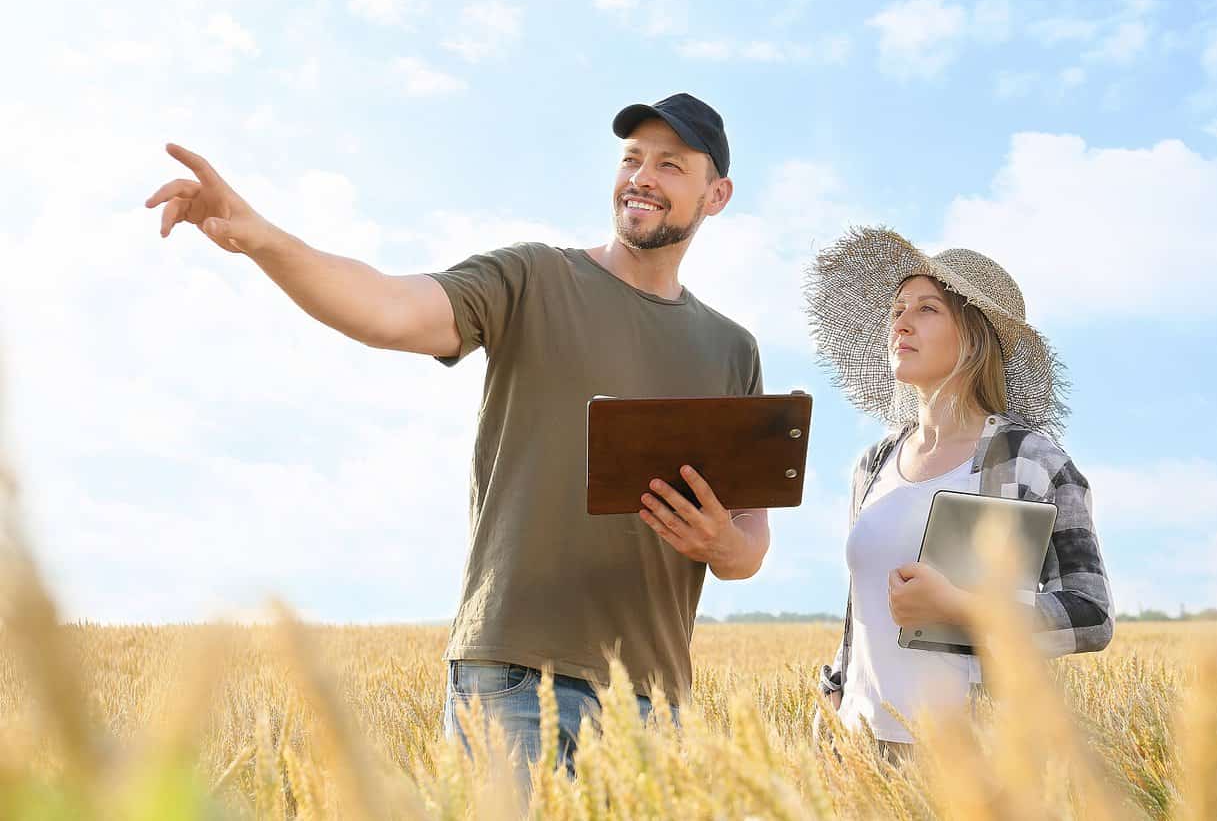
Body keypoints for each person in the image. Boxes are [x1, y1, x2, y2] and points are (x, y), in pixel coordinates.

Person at [143, 93, 770, 778]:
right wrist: (264, 239)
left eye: (670, 165)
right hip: (512, 683)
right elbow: (388, 309)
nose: (641, 177)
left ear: (717, 194)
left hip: (652, 705)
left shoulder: (732, 351)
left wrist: (722, 543)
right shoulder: (534, 278)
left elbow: (748, 548)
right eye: (631, 159)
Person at [803, 226, 1112, 755]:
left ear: (973, 336)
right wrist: (831, 695)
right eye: (897, 308)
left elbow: (1091, 614)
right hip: (856, 751)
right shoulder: (873, 464)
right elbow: (861, 605)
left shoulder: (1029, 461)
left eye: (927, 308)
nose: (900, 321)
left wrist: (960, 605)